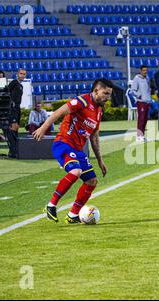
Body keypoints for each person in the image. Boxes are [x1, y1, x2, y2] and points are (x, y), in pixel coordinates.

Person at [32, 78, 113, 224]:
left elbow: (94, 136)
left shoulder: (99, 112)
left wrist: (100, 161)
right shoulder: (82, 101)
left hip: (77, 150)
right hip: (63, 143)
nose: (107, 98)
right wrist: (43, 128)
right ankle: (51, 206)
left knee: (92, 181)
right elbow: (58, 112)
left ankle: (73, 215)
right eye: (105, 93)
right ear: (95, 91)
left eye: (109, 95)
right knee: (76, 171)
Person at [6, 68, 26, 158]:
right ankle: (13, 151)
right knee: (12, 129)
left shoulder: (21, 85)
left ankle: (14, 150)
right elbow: (6, 91)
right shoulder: (14, 82)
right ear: (17, 74)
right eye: (21, 73)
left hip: (17, 108)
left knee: (16, 129)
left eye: (24, 74)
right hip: (13, 108)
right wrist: (11, 103)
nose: (22, 75)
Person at [131, 65, 151, 142]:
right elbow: (132, 90)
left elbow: (148, 89)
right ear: (140, 71)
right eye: (143, 70)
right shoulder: (137, 78)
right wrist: (139, 95)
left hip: (147, 101)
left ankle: (142, 135)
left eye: (146, 70)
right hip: (141, 102)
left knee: (145, 119)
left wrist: (149, 98)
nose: (145, 72)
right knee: (141, 119)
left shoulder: (147, 78)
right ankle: (138, 136)